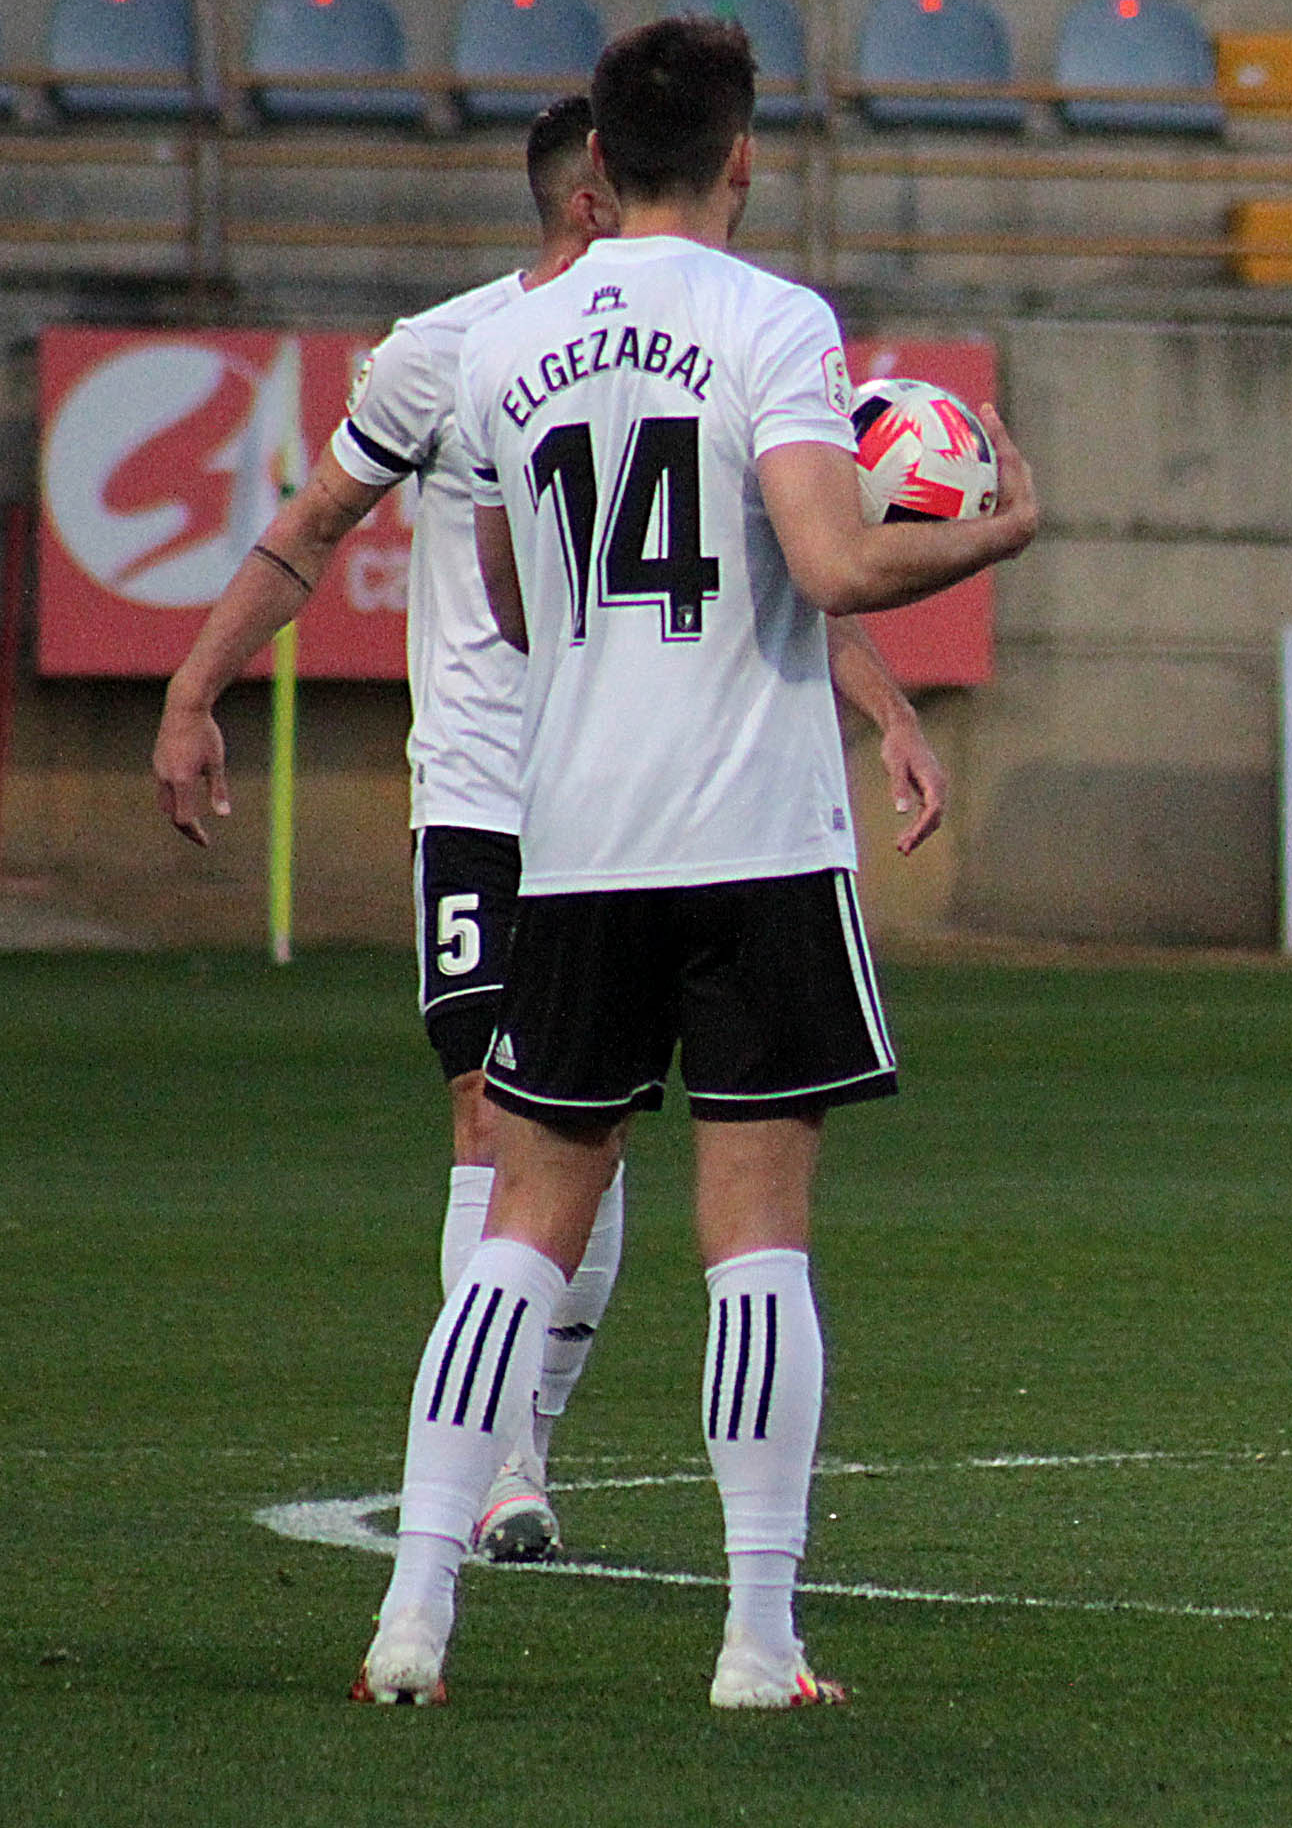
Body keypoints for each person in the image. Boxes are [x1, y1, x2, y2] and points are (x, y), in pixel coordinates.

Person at [151, 99, 950, 1562]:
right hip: (481, 794)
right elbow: (314, 525)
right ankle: (511, 1467)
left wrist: (884, 706)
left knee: (589, 1154)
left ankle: (521, 1448)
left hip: (621, 809)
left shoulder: (688, 341)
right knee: (495, 1121)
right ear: (600, 196)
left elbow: (763, 565)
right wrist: (195, 685)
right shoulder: (449, 351)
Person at [349, 18, 1034, 1709]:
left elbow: (509, 601)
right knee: (757, 1238)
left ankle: (411, 1617)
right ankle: (757, 1638)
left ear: (596, 172)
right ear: (743, 158)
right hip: (750, 839)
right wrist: (997, 523)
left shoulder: (511, 349)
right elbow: (834, 556)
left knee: (519, 1227)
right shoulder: (772, 321)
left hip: (573, 838)